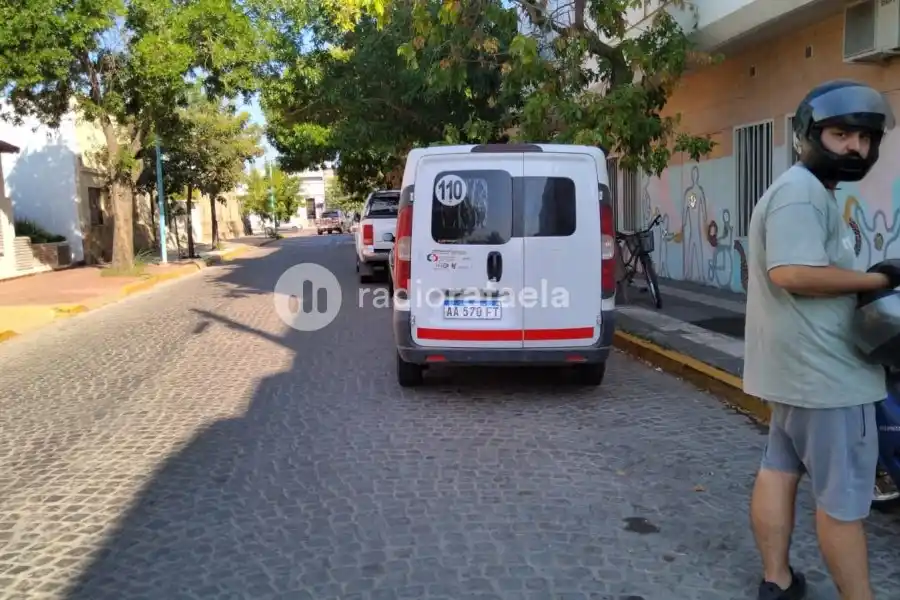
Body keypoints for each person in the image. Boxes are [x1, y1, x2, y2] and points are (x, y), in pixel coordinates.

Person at [743, 79, 897, 600]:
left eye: (865, 138)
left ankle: (777, 582)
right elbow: (792, 272)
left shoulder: (801, 191)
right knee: (844, 504)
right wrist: (878, 280)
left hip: (794, 372)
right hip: (830, 379)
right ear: (809, 135)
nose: (855, 147)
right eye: (840, 134)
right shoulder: (801, 194)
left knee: (779, 471)